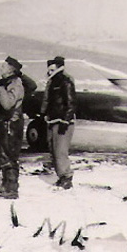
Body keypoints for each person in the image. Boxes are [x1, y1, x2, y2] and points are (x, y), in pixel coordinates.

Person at [0, 56, 26, 199]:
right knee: (2, 154)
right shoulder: (8, 83)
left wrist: (0, 89)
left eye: (3, 67)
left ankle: (11, 189)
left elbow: (7, 104)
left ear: (11, 70)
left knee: (9, 156)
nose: (0, 68)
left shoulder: (15, 84)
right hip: (5, 123)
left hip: (11, 124)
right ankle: (5, 185)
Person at [41, 56, 76, 189]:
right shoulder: (52, 81)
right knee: (54, 150)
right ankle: (61, 177)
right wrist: (44, 114)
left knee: (60, 151)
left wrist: (65, 120)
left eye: (52, 69)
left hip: (62, 121)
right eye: (48, 69)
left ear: (58, 68)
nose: (49, 71)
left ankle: (66, 177)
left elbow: (71, 102)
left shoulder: (65, 81)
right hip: (52, 120)